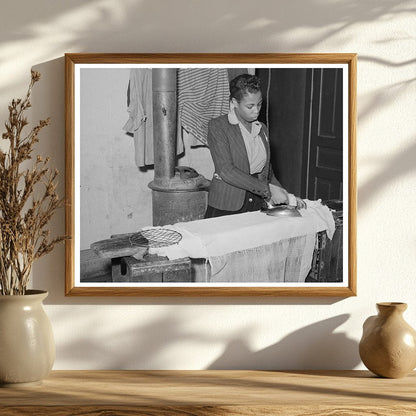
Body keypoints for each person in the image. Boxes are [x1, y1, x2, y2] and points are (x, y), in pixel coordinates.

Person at [205, 73, 306, 218]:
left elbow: (267, 173)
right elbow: (226, 170)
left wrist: (286, 197)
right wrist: (268, 191)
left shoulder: (262, 129)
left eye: (259, 104)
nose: (257, 110)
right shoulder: (218, 127)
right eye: (250, 106)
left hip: (256, 203)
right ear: (234, 102)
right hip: (227, 204)